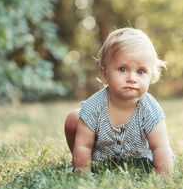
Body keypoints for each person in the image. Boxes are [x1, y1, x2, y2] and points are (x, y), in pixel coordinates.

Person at [64, 27, 174, 175]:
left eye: (141, 71)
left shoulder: (149, 107)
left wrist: (164, 179)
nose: (132, 78)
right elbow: (83, 145)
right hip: (103, 161)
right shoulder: (95, 106)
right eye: (122, 69)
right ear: (105, 73)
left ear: (151, 75)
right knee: (74, 117)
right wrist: (83, 175)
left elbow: (160, 146)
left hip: (141, 161)